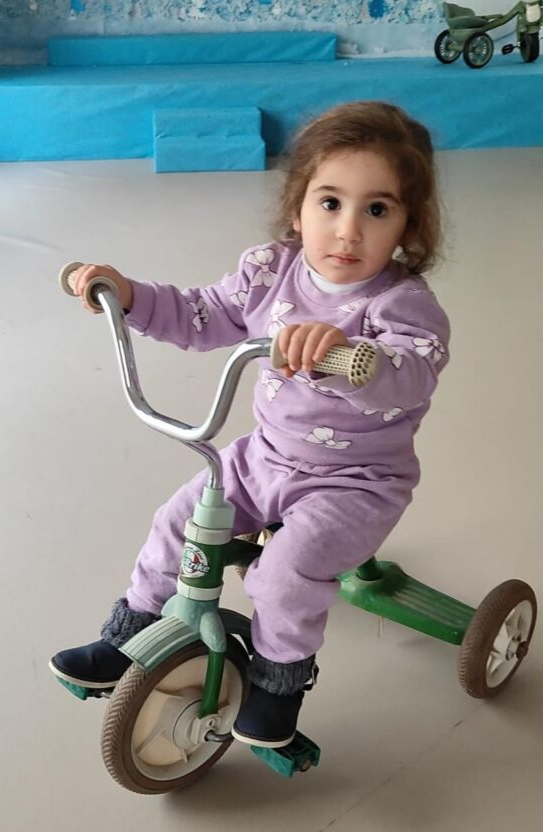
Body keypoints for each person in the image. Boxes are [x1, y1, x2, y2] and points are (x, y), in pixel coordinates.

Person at [50, 100, 450, 749]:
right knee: (177, 523)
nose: (348, 231)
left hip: (357, 482)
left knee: (285, 573)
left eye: (377, 210)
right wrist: (129, 296)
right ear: (297, 208)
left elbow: (411, 374)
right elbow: (203, 314)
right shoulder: (270, 271)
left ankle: (278, 681)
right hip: (263, 456)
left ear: (409, 224)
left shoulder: (403, 306)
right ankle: (129, 636)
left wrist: (351, 359)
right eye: (329, 203)